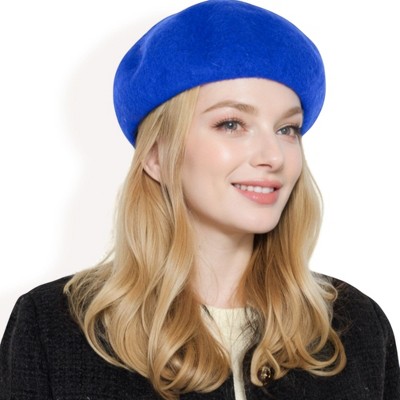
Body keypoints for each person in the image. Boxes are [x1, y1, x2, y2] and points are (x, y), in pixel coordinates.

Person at [1, 0, 399, 399]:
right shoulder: (53, 328)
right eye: (232, 124)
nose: (274, 156)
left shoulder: (358, 328)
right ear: (157, 155)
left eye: (287, 129)